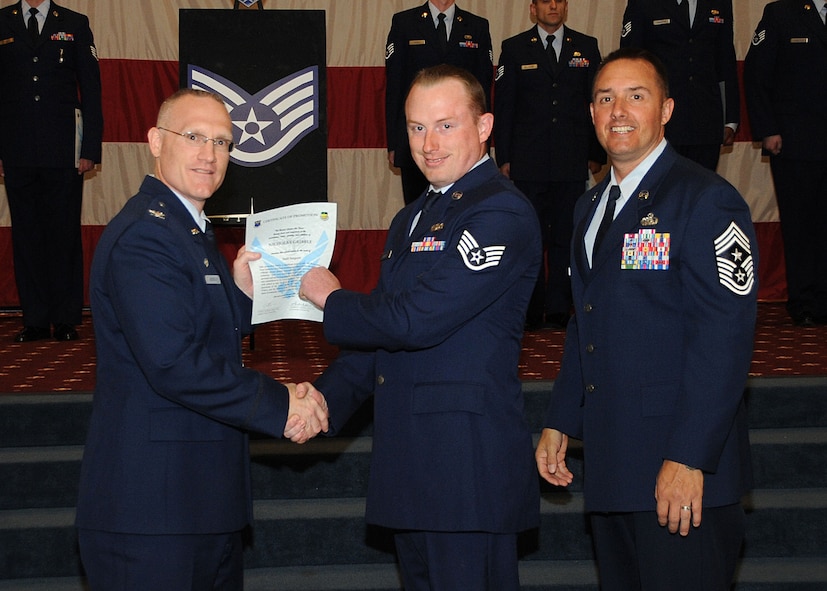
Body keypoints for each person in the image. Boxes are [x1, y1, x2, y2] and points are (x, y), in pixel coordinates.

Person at [75, 89, 329, 591]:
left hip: (198, 503)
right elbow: (174, 363)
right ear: (154, 141)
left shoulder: (189, 230)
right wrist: (282, 404)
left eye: (222, 142)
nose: (209, 154)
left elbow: (202, 333)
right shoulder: (145, 236)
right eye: (193, 137)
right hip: (151, 512)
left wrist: (239, 296)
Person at [300, 65, 541, 590]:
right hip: (411, 465)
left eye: (446, 125)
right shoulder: (410, 220)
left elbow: (415, 320)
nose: (428, 144)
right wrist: (321, 402)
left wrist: (331, 298)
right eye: (415, 127)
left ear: (484, 127)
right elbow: (381, 340)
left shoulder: (501, 212)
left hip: (466, 471)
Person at [535, 48, 757, 590]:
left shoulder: (707, 200)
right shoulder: (589, 209)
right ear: (590, 114)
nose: (618, 111)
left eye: (637, 96)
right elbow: (584, 321)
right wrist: (562, 417)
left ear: (667, 109)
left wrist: (689, 457)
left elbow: (724, 341)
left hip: (681, 473)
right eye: (605, 98)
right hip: (614, 468)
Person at [494, 0, 605, 330]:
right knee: (531, 237)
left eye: (559, 0)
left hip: (571, 160)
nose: (553, 6)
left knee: (565, 237)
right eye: (546, 1)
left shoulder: (586, 47)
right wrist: (506, 158)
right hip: (528, 162)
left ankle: (558, 306)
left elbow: (596, 103)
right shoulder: (513, 49)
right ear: (533, 9)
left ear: (566, 7)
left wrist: (595, 152)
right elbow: (505, 105)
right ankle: (531, 307)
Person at [0, 0, 103, 342]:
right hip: (16, 149)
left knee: (63, 234)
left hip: (64, 150)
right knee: (27, 235)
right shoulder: (3, 21)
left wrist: (89, 149)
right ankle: (35, 319)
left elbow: (90, 88)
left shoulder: (74, 22)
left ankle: (66, 317)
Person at [743, 0, 827, 326]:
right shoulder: (781, 13)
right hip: (795, 142)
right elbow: (757, 73)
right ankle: (805, 302)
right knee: (801, 225)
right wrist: (767, 129)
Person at [385, 0, 493, 204]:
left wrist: (485, 140)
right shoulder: (404, 23)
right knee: (419, 208)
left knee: (466, 206)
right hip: (420, 138)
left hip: (461, 141)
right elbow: (395, 87)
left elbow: (483, 91)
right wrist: (395, 142)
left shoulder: (477, 26)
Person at [619, 0, 739, 171]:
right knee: (661, 190)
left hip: (706, 120)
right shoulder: (643, 3)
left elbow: (726, 60)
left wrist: (730, 119)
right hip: (660, 119)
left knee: (702, 191)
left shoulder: (720, 3)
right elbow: (630, 62)